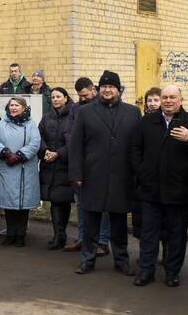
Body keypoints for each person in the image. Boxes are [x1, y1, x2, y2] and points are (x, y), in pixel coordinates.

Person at [130, 84, 188, 287]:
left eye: (172, 97)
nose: (168, 101)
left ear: (180, 100)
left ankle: (172, 272)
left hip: (178, 190)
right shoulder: (147, 121)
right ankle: (146, 271)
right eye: (164, 97)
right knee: (148, 234)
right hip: (151, 189)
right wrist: (142, 171)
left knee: (177, 234)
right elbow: (135, 148)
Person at [69, 71, 140, 275]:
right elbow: (76, 146)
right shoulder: (85, 112)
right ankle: (87, 259)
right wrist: (77, 175)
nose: (108, 90)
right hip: (93, 176)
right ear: (98, 89)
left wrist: (136, 175)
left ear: (118, 89)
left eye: (112, 87)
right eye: (104, 87)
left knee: (118, 223)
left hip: (121, 177)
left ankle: (121, 260)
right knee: (91, 221)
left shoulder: (132, 112)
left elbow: (137, 146)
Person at [66, 76, 110, 253]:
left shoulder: (105, 106)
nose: (82, 98)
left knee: (103, 205)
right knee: (81, 202)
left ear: (94, 89)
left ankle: (102, 240)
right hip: (80, 161)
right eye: (79, 96)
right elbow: (68, 132)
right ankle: (83, 238)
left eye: (85, 95)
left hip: (100, 162)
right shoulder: (76, 108)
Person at [0, 96, 41, 246]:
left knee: (22, 205)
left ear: (24, 108)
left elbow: (35, 142)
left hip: (24, 168)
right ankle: (10, 233)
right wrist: (6, 153)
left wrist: (19, 155)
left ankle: (21, 234)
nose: (13, 107)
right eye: (11, 105)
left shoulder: (31, 124)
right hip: (6, 168)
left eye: (17, 105)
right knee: (9, 203)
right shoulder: (2, 124)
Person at [39, 87, 76, 250]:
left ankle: (62, 234)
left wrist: (59, 154)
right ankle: (58, 235)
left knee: (63, 200)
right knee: (54, 201)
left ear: (66, 98)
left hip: (64, 164)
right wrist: (45, 150)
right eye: (53, 97)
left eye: (58, 96)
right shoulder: (46, 118)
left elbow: (74, 142)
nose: (55, 99)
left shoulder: (73, 117)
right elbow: (38, 137)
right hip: (49, 165)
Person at [130, 87, 162, 243]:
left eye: (156, 100)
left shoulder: (169, 121)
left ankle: (166, 251)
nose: (153, 103)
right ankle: (147, 253)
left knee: (164, 222)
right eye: (150, 100)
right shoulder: (141, 121)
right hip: (143, 178)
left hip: (163, 177)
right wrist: (140, 170)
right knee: (143, 218)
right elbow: (135, 148)